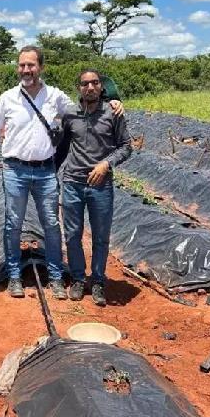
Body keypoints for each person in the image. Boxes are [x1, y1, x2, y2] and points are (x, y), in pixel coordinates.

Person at [0, 46, 124, 299]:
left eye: (31, 65)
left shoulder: (55, 96)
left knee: (51, 224)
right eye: (22, 65)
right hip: (15, 170)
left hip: (45, 171)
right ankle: (14, 276)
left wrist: (113, 100)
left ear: (40, 67)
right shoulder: (7, 98)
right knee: (13, 223)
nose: (26, 70)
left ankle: (55, 277)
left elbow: (84, 108)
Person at [60, 69, 132, 306]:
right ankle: (78, 278)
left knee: (101, 236)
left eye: (94, 83)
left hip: (101, 185)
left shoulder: (113, 113)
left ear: (101, 87)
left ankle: (98, 281)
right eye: (85, 84)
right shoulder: (69, 114)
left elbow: (126, 146)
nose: (90, 87)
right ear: (79, 88)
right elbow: (62, 146)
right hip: (72, 182)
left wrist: (106, 164)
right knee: (72, 234)